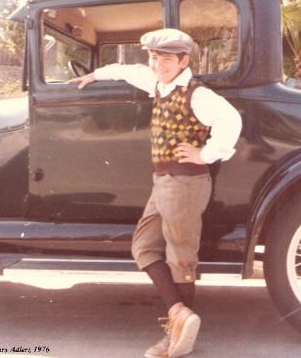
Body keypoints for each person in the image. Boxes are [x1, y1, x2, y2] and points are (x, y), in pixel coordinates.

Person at [69, 28, 242, 358]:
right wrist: (95, 75)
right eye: (153, 57)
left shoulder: (197, 94)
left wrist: (205, 154)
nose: (157, 64)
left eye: (165, 59)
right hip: (165, 182)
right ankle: (181, 313)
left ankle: (177, 336)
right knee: (144, 247)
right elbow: (129, 71)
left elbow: (230, 119)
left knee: (180, 258)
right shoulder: (158, 83)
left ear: (183, 61)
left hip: (186, 183)